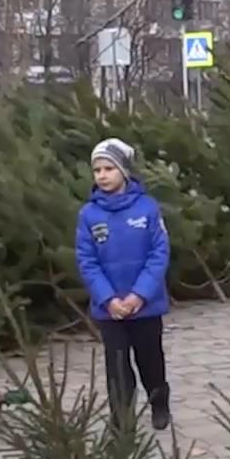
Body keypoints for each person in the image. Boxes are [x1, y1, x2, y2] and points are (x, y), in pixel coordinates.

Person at [75, 138, 172, 430]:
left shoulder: (147, 209)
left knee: (150, 360)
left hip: (146, 305)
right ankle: (122, 417)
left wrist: (140, 295)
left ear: (124, 171)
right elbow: (86, 260)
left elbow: (159, 254)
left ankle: (159, 403)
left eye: (109, 168)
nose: (102, 175)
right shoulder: (88, 215)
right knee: (116, 365)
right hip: (111, 309)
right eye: (97, 170)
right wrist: (109, 299)